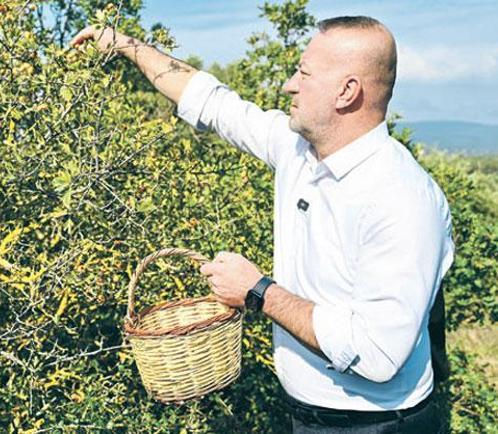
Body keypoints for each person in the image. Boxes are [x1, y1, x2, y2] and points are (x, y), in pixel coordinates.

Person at [72, 15, 454, 433]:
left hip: (378, 425)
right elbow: (213, 102)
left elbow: (379, 353)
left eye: (304, 74)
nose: (290, 84)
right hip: (303, 416)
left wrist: (258, 292)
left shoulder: (401, 197)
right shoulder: (299, 150)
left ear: (347, 91)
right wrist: (125, 45)